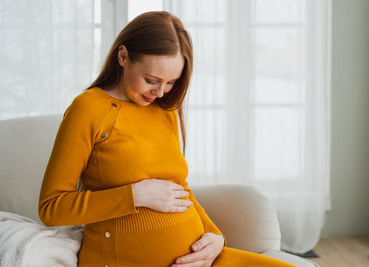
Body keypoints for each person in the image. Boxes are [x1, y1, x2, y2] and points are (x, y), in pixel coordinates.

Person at [38, 11, 296, 267]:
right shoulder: (89, 109)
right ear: (123, 56)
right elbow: (52, 207)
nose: (160, 92)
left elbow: (179, 189)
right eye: (151, 80)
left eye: (171, 82)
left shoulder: (164, 109)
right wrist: (134, 195)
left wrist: (215, 237)